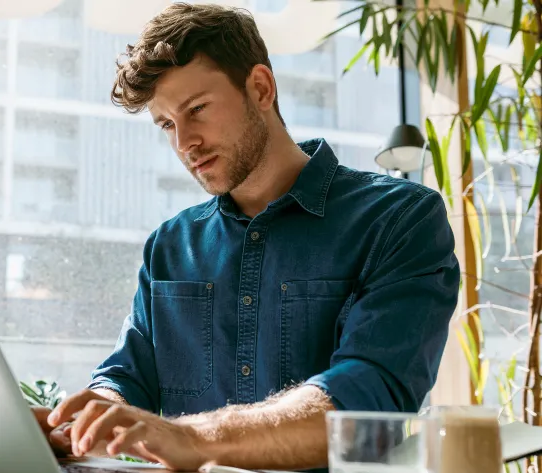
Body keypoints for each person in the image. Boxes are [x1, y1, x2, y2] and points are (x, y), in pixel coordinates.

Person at [32, 3, 461, 471]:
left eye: (196, 109)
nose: (184, 142)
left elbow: (365, 400)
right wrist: (78, 422)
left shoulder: (400, 218)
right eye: (166, 124)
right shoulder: (170, 247)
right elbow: (125, 376)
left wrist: (193, 436)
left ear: (260, 87)